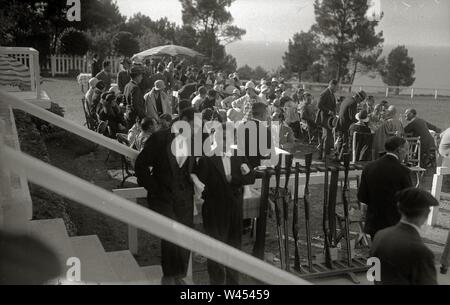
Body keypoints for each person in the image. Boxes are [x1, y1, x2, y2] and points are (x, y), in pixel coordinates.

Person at [135, 108, 197, 285]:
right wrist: (154, 188)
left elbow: (191, 167)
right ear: (184, 120)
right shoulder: (160, 138)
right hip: (163, 196)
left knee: (185, 236)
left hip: (184, 196)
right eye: (193, 125)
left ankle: (179, 275)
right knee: (171, 235)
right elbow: (141, 165)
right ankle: (168, 277)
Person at [196, 122, 256, 285]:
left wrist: (234, 179)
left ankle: (232, 284)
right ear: (214, 138)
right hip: (215, 210)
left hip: (235, 209)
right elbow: (202, 186)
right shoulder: (206, 159)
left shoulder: (238, 155)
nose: (224, 141)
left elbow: (250, 177)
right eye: (220, 137)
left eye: (227, 137)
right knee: (215, 250)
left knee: (234, 248)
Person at [370, 188, 439, 285]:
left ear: (399, 208)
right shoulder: (421, 252)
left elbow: (374, 274)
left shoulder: (380, 235)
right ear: (426, 213)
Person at [358, 136, 413, 239]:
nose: (407, 153)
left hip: (374, 222)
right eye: (406, 150)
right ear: (399, 150)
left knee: (377, 252)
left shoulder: (369, 167)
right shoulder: (403, 171)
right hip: (395, 223)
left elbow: (362, 197)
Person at [336, 90, 367, 160]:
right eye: (360, 100)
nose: (359, 102)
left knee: (341, 140)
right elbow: (352, 117)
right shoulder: (353, 103)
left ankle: (337, 155)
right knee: (345, 142)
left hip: (340, 123)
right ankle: (341, 158)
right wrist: (360, 122)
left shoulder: (347, 99)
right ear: (358, 98)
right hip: (345, 125)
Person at [316, 79, 338, 160]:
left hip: (328, 119)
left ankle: (320, 155)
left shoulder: (331, 94)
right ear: (332, 85)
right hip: (324, 119)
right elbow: (319, 105)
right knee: (327, 138)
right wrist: (328, 111)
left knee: (324, 137)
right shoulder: (325, 93)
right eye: (336, 87)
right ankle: (325, 157)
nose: (337, 88)